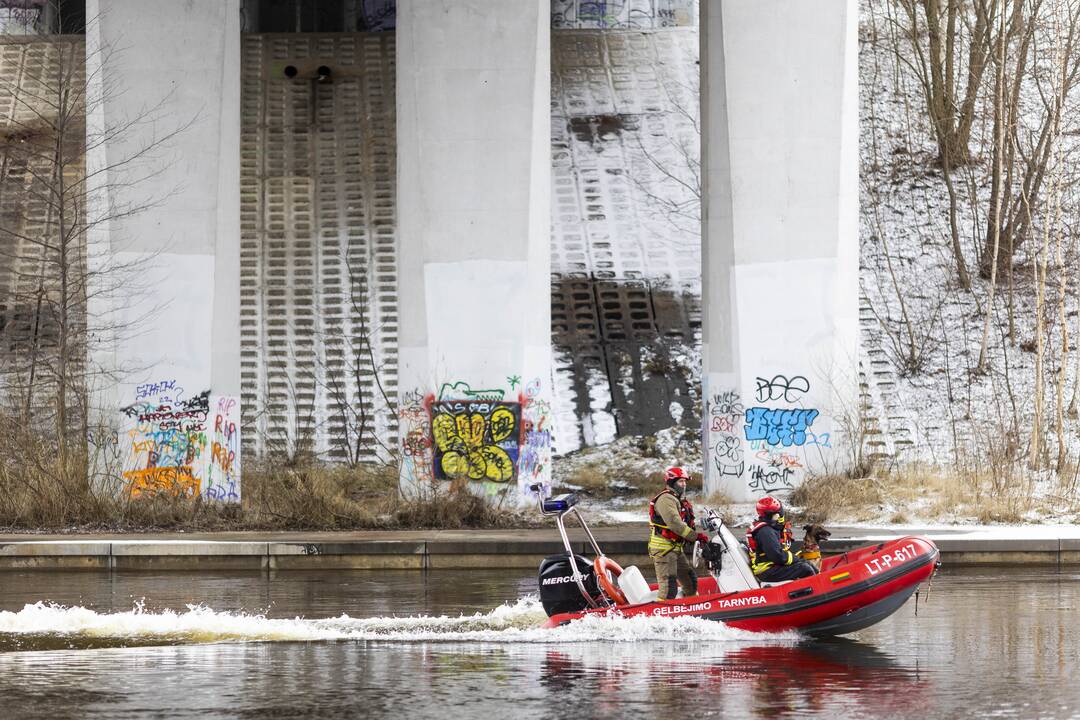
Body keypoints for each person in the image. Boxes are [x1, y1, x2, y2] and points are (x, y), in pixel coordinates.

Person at [648, 466, 710, 600]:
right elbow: (675, 523)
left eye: (685, 482)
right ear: (671, 482)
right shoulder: (666, 499)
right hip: (664, 550)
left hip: (675, 548)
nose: (684, 485)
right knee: (669, 588)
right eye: (681, 481)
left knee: (690, 580)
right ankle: (660, 617)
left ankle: (694, 606)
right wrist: (695, 536)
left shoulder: (676, 499)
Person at [746, 496, 816, 582]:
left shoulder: (768, 527)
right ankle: (817, 591)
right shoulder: (766, 532)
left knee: (806, 563)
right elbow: (777, 555)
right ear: (775, 515)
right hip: (767, 571)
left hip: (772, 566)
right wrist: (795, 559)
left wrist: (797, 560)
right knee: (805, 569)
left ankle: (820, 581)